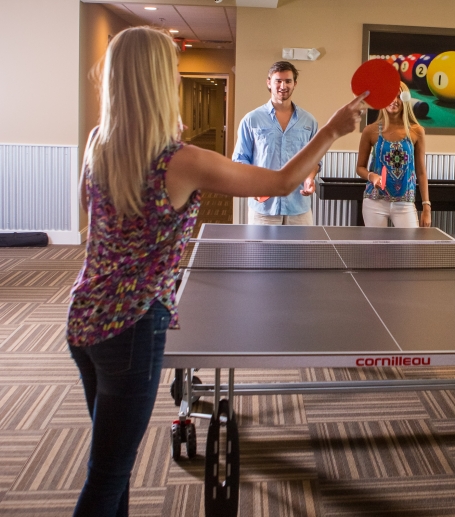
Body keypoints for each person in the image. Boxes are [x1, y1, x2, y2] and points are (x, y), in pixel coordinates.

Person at [66, 26, 366, 517]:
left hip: (83, 319)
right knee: (107, 475)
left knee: (111, 464)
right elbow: (281, 180)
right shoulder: (180, 161)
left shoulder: (99, 143)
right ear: (161, 80)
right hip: (132, 327)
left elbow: (90, 211)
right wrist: (332, 129)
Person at [233, 61, 320, 225]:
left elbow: (313, 160)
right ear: (269, 83)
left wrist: (309, 178)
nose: (283, 85)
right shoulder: (251, 120)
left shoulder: (309, 121)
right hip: (264, 209)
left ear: (295, 83)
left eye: (288, 81)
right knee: (260, 252)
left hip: (298, 208)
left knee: (301, 252)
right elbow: (240, 159)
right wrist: (252, 185)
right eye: (278, 81)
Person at [355, 82, 431, 227]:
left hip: (405, 204)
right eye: (390, 96)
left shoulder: (417, 131)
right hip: (374, 201)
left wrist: (426, 206)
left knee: (409, 249)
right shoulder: (370, 131)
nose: (394, 101)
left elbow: (421, 172)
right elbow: (360, 167)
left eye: (399, 96)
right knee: (376, 250)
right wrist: (372, 176)